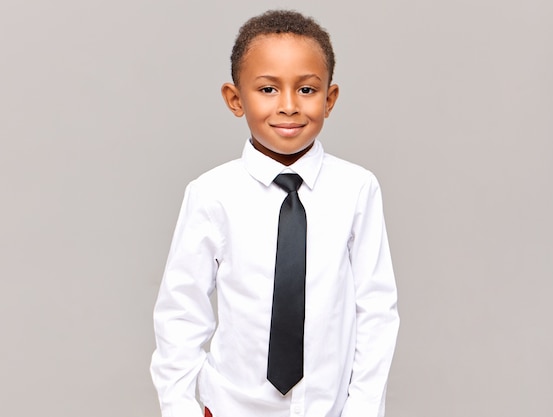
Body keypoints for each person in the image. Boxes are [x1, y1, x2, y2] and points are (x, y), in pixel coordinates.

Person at [150, 9, 399, 417]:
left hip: (329, 409)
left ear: (330, 99)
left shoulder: (357, 189)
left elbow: (376, 310)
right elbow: (181, 311)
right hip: (232, 408)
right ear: (235, 99)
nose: (288, 106)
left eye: (306, 90)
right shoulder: (211, 194)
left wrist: (363, 410)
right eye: (267, 89)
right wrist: (182, 409)